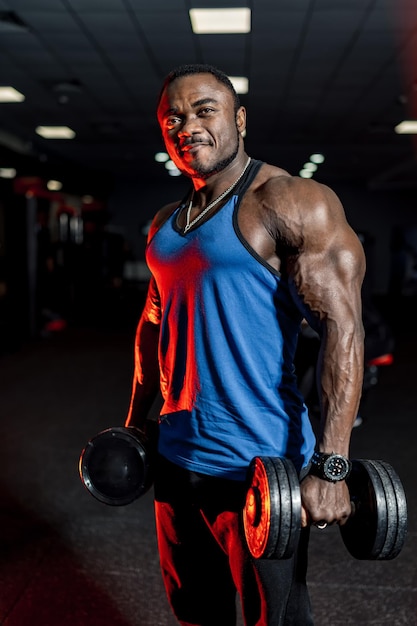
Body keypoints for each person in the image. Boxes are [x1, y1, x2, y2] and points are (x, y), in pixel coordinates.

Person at [125, 64, 365, 626]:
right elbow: (153, 325)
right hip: (177, 458)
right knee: (195, 612)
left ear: (239, 119)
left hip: (261, 467)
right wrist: (137, 424)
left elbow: (343, 329)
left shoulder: (290, 201)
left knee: (274, 619)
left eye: (204, 110)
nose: (188, 126)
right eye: (173, 118)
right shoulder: (166, 222)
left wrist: (331, 465)